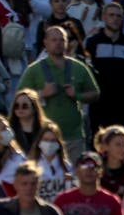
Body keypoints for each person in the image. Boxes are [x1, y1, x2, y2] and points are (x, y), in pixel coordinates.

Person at [18, 25, 100, 158]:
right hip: (43, 136)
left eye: (62, 40)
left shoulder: (79, 67)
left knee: (74, 176)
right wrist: (42, 94)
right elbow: (20, 98)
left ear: (67, 43)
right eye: (54, 40)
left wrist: (77, 95)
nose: (58, 43)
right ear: (45, 42)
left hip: (74, 136)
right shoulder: (34, 69)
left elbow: (95, 93)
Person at [55, 151, 124, 215]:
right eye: (84, 166)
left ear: (101, 171)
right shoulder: (62, 200)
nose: (89, 170)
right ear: (76, 170)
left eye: (94, 166)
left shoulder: (111, 201)